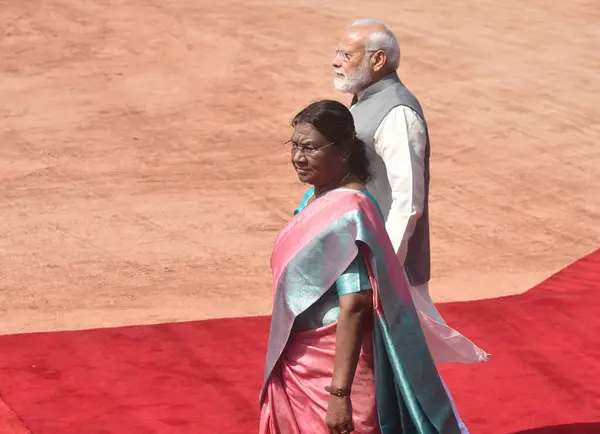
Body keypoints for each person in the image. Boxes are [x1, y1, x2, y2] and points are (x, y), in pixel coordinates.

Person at [260, 100, 465, 434]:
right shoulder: (319, 197)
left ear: (342, 151)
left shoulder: (349, 213)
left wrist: (339, 394)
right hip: (300, 358)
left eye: (310, 148)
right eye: (294, 146)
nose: (298, 158)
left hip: (330, 371)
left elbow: (354, 306)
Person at [331, 18, 489, 433]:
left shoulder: (398, 112)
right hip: (364, 259)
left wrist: (388, 268)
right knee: (380, 367)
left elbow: (407, 200)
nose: (336, 63)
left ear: (378, 59)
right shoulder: (366, 100)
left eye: (346, 55)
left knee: (407, 371)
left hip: (387, 268)